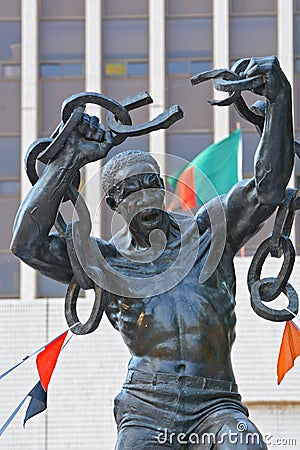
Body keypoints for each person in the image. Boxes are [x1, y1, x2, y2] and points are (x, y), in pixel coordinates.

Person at [11, 57, 294, 449]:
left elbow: (268, 189)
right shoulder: (105, 261)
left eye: (149, 184)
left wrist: (280, 100)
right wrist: (69, 159)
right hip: (146, 406)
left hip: (215, 403)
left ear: (163, 186)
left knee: (245, 445)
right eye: (130, 191)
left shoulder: (209, 231)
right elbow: (26, 244)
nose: (143, 196)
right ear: (113, 204)